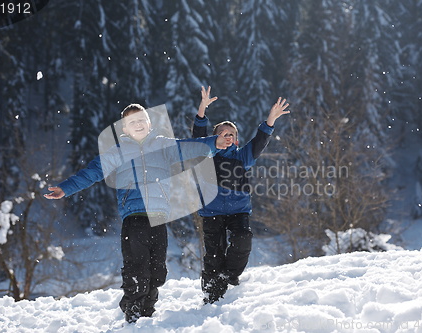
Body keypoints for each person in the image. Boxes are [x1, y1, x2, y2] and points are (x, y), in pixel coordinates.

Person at [44, 103, 232, 323]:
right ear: (124, 129)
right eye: (131, 122)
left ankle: (147, 311)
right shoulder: (117, 152)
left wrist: (214, 143)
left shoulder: (162, 146)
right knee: (137, 268)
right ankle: (132, 310)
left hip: (159, 217)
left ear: (149, 123)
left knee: (157, 271)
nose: (137, 124)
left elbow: (188, 147)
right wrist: (66, 188)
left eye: (141, 120)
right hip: (133, 218)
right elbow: (93, 172)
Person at [193, 86, 290, 304]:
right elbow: (198, 137)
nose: (227, 137)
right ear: (214, 137)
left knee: (243, 240)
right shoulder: (205, 154)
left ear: (236, 140)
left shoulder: (242, 157)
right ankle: (212, 294)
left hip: (238, 210)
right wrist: (202, 112)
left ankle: (230, 276)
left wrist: (271, 119)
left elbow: (260, 142)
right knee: (214, 255)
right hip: (211, 211)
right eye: (222, 133)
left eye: (231, 134)